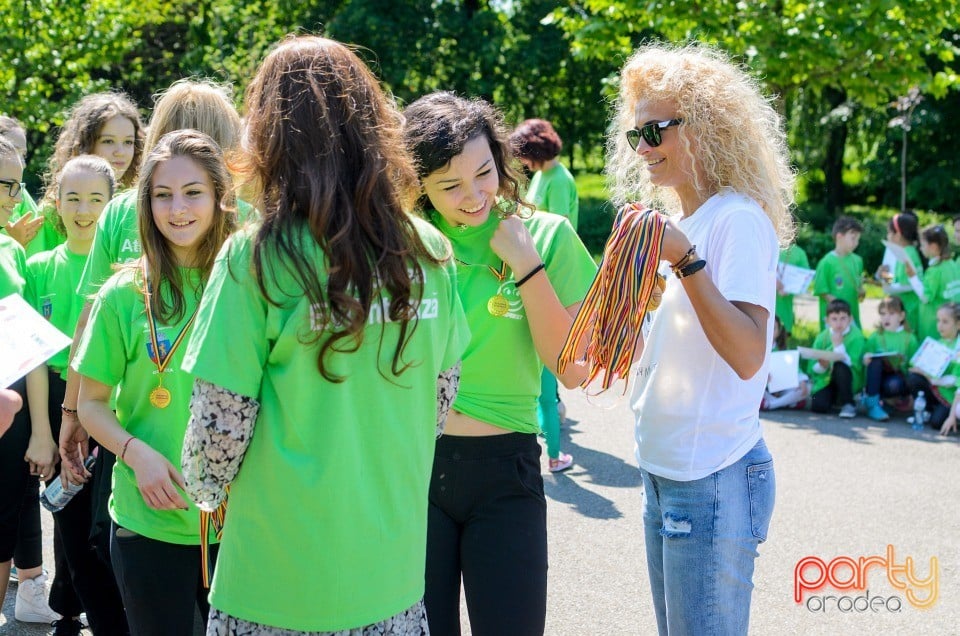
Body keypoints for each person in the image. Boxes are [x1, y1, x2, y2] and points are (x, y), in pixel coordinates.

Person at [179, 36, 469, 634]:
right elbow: (440, 400)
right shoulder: (429, 252)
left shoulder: (255, 258)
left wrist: (201, 488)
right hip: (390, 574)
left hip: (273, 581)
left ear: (269, 136)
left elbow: (217, 436)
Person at [606, 43, 793, 635]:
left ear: (706, 125)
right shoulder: (683, 223)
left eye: (658, 130)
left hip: (709, 476)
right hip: (668, 471)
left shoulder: (735, 219)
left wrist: (685, 262)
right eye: (637, 135)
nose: (645, 148)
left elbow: (746, 355)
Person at [403, 92, 597, 635]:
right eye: (449, 185)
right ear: (418, 185)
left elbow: (576, 367)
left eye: (483, 172)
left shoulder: (548, 236)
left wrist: (527, 266)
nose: (473, 196)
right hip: (412, 467)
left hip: (506, 470)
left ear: (501, 158)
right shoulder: (400, 246)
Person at [59, 78, 245, 575]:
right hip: (147, 512)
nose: (178, 208)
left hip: (240, 516)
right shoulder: (124, 289)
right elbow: (94, 377)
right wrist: (126, 447)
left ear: (220, 195)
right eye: (163, 194)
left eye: (193, 192)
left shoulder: (250, 277)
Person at [23, 155, 128, 635]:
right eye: (73, 198)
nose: (84, 209)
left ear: (113, 204)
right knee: (68, 521)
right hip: (57, 398)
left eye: (95, 199)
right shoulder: (40, 266)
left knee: (104, 529)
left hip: (108, 401)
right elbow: (35, 357)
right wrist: (43, 433)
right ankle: (80, 609)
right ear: (55, 204)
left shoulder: (123, 266)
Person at [0, 136, 61, 625]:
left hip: (11, 412)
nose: (10, 198)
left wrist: (42, 430)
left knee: (1, 528)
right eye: (2, 183)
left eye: (17, 186)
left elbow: (29, 351)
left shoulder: (11, 251)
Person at [510, 118, 580, 472]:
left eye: (523, 155)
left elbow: (556, 234)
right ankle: (549, 435)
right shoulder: (540, 177)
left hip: (549, 277)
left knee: (549, 374)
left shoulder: (561, 180)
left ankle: (551, 448)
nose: (521, 163)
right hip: (530, 272)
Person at [860, 296, 918, 421]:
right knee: (875, 361)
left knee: (894, 384)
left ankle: (888, 402)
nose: (886, 317)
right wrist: (866, 358)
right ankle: (873, 404)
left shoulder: (909, 338)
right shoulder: (876, 336)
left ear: (901, 316)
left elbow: (914, 365)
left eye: (891, 314)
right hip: (875, 380)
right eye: (883, 314)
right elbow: (864, 358)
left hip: (897, 381)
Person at [806, 299, 866, 418]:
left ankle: (848, 403)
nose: (839, 323)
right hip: (826, 380)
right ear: (827, 320)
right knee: (818, 406)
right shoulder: (822, 337)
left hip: (848, 379)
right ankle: (835, 401)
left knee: (839, 366)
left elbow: (854, 365)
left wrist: (838, 345)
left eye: (843, 318)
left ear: (850, 319)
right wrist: (822, 366)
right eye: (834, 319)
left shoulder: (857, 337)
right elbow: (813, 368)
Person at [906, 301, 960, 431]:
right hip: (936, 390)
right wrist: (920, 370)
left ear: (958, 324)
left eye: (945, 322)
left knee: (936, 423)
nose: (940, 326)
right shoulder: (937, 344)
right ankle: (927, 410)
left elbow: (953, 381)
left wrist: (927, 375)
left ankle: (951, 417)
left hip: (951, 397)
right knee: (913, 377)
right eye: (938, 321)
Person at [907, 224, 960, 342]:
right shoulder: (951, 264)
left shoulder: (934, 270)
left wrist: (913, 278)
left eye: (923, 245)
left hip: (933, 326)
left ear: (934, 246)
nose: (921, 248)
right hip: (952, 327)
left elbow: (925, 297)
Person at [0, 115, 45, 254]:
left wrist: (15, 245)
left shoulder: (20, 194)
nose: (21, 162)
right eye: (11, 149)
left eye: (23, 155)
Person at [813, 215, 865, 328]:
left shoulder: (857, 260)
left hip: (852, 315)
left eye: (858, 239)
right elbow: (822, 292)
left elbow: (859, 283)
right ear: (839, 236)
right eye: (853, 238)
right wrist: (841, 308)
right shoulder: (826, 262)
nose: (856, 243)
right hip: (834, 319)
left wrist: (861, 291)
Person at [879, 211, 922, 333]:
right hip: (903, 308)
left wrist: (887, 287)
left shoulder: (907, 254)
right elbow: (896, 280)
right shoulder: (905, 251)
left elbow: (907, 285)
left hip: (909, 310)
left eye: (889, 232)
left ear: (897, 235)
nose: (887, 236)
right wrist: (884, 276)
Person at [760, 316, 809, 411]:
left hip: (781, 387)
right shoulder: (755, 347)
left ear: (778, 331)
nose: (770, 331)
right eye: (767, 327)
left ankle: (772, 404)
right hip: (763, 389)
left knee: (806, 387)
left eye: (773, 328)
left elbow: (794, 368)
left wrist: (801, 380)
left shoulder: (782, 349)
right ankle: (786, 402)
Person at [775, 242, 809, 337]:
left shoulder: (798, 253)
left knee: (782, 347)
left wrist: (789, 288)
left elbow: (805, 278)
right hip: (760, 312)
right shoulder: (762, 244)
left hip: (784, 312)